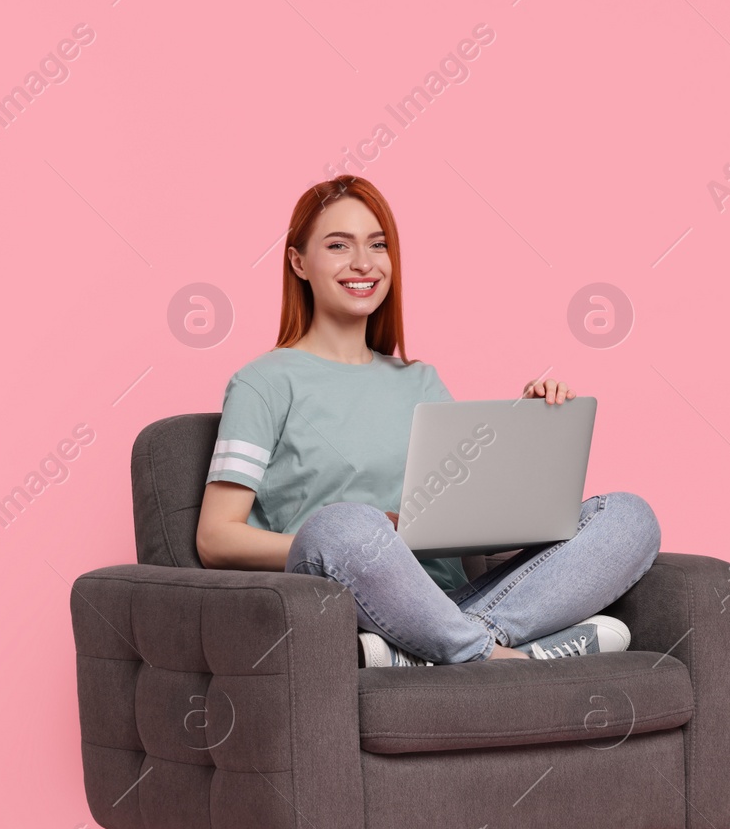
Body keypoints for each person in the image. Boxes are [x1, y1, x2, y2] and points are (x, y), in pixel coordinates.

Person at [195, 175, 661, 667]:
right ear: (298, 262)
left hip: (451, 603)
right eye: (338, 245)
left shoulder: (420, 382)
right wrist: (367, 541)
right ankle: (503, 655)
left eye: (378, 245)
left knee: (630, 517)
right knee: (345, 525)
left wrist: (530, 431)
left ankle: (442, 651)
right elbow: (215, 537)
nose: (363, 263)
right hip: (352, 600)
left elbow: (470, 517)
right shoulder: (261, 383)